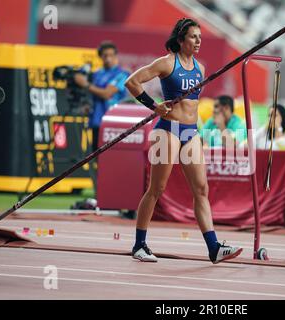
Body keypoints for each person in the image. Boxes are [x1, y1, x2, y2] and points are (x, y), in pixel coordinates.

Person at [125, 18, 242, 264]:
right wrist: (154, 106)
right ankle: (139, 245)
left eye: (200, 37)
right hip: (167, 129)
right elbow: (132, 82)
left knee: (201, 189)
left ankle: (213, 248)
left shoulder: (199, 67)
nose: (198, 41)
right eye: (193, 37)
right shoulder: (166, 62)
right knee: (156, 189)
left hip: (190, 132)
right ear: (181, 39)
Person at [73, 41, 130, 155]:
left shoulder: (122, 74)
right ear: (101, 57)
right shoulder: (96, 74)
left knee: (112, 157)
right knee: (96, 157)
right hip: (96, 121)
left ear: (116, 56)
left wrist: (85, 84)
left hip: (113, 122)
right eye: (105, 56)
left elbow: (107, 94)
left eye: (111, 55)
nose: (108, 59)